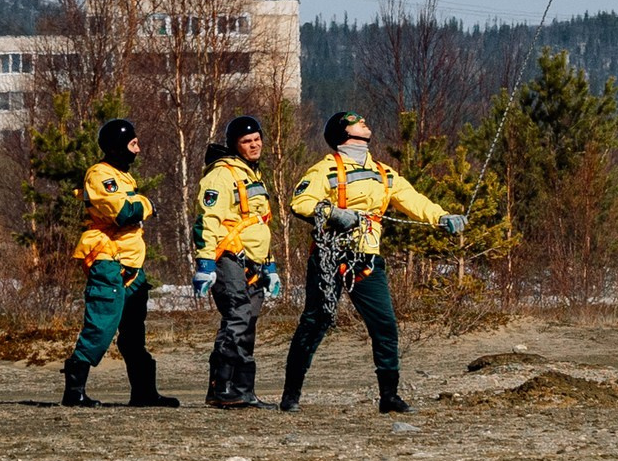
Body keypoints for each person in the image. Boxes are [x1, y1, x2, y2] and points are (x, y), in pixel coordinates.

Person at [280, 111, 467, 414]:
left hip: (367, 260)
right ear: (344, 133)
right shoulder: (324, 170)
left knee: (385, 325)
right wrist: (332, 214)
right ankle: (291, 395)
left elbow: (413, 199)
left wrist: (442, 217)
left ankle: (389, 396)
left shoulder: (383, 172)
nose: (366, 122)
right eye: (357, 121)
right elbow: (300, 203)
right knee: (315, 322)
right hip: (330, 259)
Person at [63, 118, 181, 408]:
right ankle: (74, 391)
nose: (138, 150)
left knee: (134, 333)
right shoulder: (101, 175)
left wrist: (139, 204)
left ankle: (143, 392)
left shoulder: (124, 177)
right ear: (117, 147)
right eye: (133, 144)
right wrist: (147, 204)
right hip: (109, 261)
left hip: (131, 265)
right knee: (101, 325)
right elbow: (124, 212)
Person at [192, 114, 278, 408]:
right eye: (246, 141)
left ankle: (243, 389)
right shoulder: (222, 174)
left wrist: (270, 264)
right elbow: (208, 219)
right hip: (227, 257)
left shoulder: (252, 175)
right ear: (235, 145)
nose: (254, 145)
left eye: (257, 139)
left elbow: (258, 223)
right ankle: (221, 387)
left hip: (253, 261)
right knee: (237, 316)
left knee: (248, 321)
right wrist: (205, 265)